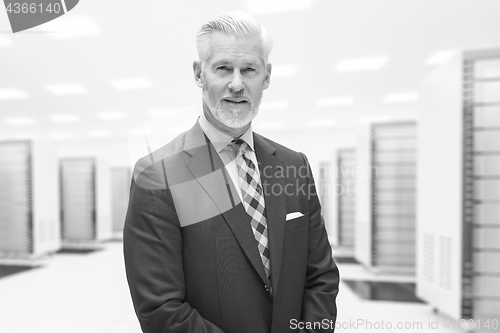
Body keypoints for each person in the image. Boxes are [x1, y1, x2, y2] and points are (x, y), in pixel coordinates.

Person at [123, 11, 339, 333]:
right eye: (223, 68)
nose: (236, 84)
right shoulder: (157, 176)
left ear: (266, 77)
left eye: (249, 69)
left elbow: (320, 277)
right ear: (199, 73)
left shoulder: (294, 167)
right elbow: (161, 310)